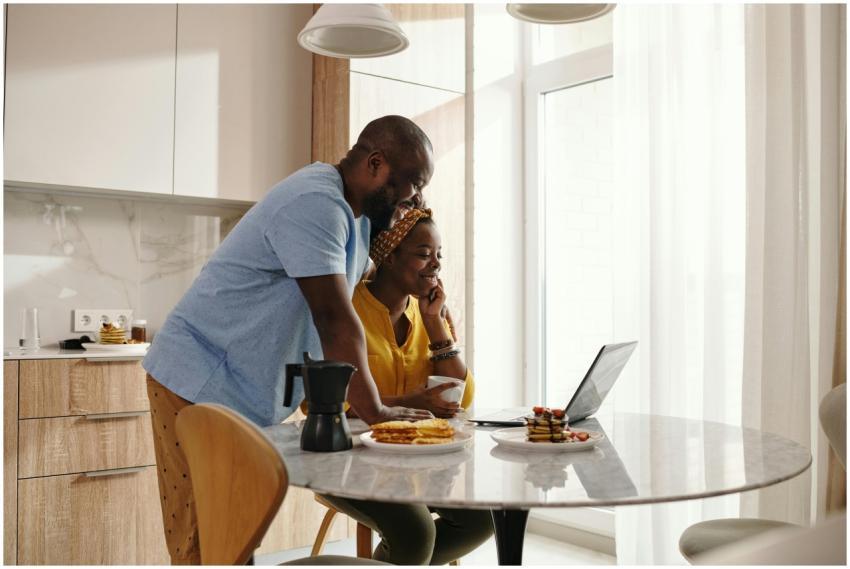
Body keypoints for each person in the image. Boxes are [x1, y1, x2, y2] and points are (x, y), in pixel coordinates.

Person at [142, 115, 436, 564]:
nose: (414, 200)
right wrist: (374, 410)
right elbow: (335, 319)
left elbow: (355, 288)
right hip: (196, 379)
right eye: (411, 185)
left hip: (241, 390)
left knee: (237, 532)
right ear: (375, 164)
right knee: (208, 539)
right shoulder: (315, 202)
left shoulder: (353, 214)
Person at [319, 208, 493, 565]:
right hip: (346, 460)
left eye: (438, 255)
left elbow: (463, 396)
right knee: (415, 532)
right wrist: (406, 401)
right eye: (423, 254)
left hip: (414, 460)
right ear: (389, 255)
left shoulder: (428, 312)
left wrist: (435, 325)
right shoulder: (347, 308)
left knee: (482, 520)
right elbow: (320, 401)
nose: (435, 265)